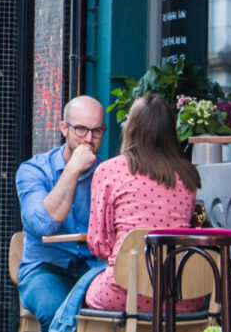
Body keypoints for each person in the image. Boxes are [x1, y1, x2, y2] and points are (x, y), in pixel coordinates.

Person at [81, 95, 202, 316]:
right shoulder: (188, 176)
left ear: (131, 128)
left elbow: (100, 245)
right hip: (182, 295)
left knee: (81, 289)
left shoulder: (109, 171)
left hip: (123, 292)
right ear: (170, 132)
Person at [15, 95, 106, 332]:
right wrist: (73, 168)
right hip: (44, 269)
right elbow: (44, 224)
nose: (89, 139)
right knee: (57, 309)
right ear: (64, 128)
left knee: (117, 313)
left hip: (95, 269)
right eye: (81, 129)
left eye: (96, 131)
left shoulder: (107, 174)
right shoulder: (33, 170)